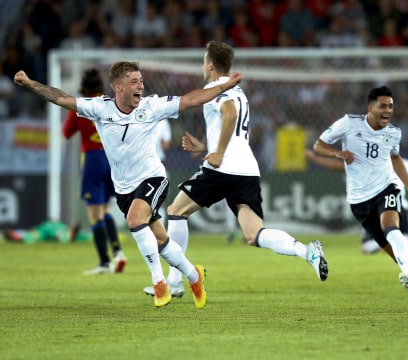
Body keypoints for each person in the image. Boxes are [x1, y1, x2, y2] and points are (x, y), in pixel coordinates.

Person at [13, 60, 242, 308]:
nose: (140, 86)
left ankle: (159, 283)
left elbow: (192, 99)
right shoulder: (100, 108)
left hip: (153, 177)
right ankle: (194, 276)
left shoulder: (152, 106)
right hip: (124, 187)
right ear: (118, 87)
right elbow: (61, 98)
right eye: (134, 82)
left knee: (134, 221)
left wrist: (224, 86)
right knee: (161, 242)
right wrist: (29, 83)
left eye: (141, 81)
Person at [142, 40, 327, 299]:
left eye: (203, 62)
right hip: (247, 170)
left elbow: (228, 114)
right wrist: (205, 146)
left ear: (210, 65)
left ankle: (174, 282)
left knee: (175, 212)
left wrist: (216, 153)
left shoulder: (216, 88)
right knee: (254, 234)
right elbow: (236, 134)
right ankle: (307, 251)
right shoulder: (240, 93)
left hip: (223, 168)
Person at [312, 86, 408, 297]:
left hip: (386, 187)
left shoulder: (393, 133)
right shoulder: (349, 123)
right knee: (395, 252)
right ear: (370, 107)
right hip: (359, 199)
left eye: (391, 106)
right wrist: (338, 153)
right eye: (383, 106)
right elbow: (318, 145)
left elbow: (395, 158)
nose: (388, 110)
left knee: (391, 227)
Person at [305, 149, 408, 254]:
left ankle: (383, 245)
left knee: (368, 247)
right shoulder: (400, 163)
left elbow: (337, 166)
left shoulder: (372, 164)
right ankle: (396, 244)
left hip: (376, 209)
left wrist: (313, 158)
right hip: (395, 207)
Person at [62, 68, 127, 276]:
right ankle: (118, 253)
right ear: (101, 86)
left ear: (82, 86)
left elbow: (66, 133)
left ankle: (104, 262)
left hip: (92, 159)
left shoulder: (80, 107)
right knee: (105, 210)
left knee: (94, 214)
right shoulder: (109, 103)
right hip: (111, 159)